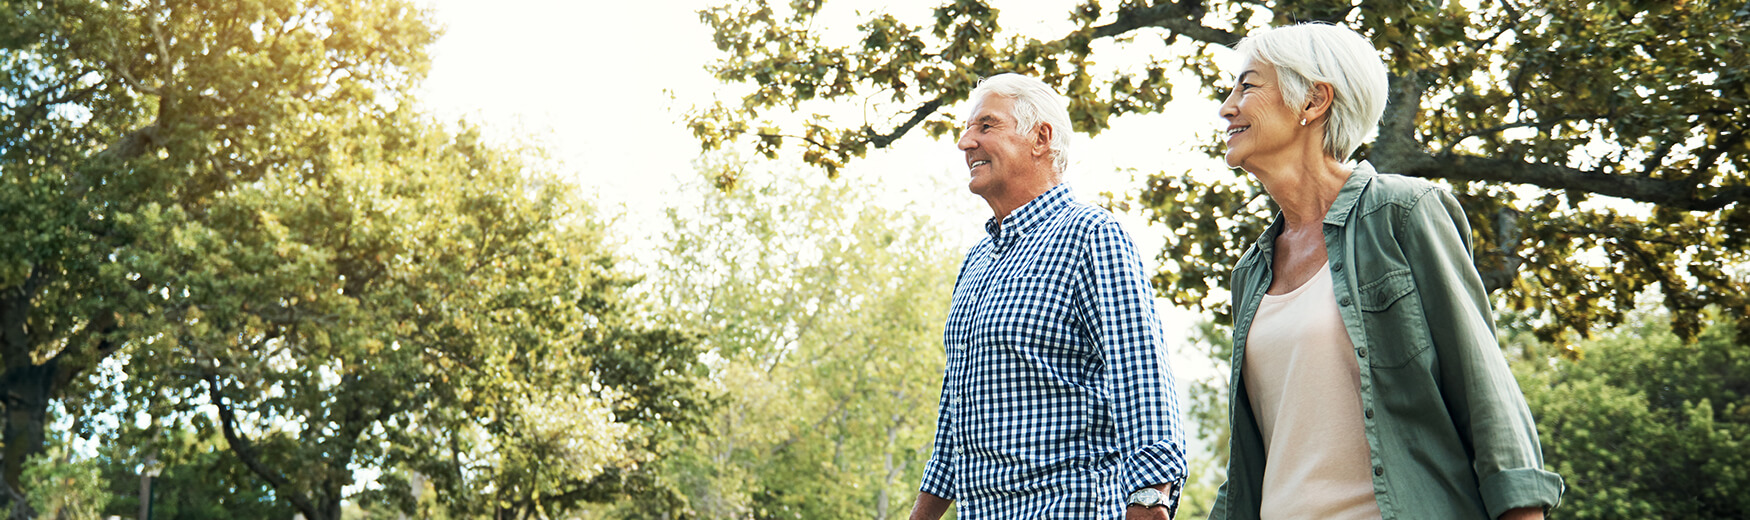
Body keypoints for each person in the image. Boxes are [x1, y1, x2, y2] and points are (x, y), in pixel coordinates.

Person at [1208, 23, 1564, 520]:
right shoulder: (1251, 271)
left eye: (1247, 86)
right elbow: (1252, 460)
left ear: (1313, 101)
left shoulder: (1404, 211)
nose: (1227, 107)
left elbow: (1485, 394)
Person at [908, 73, 1187, 520]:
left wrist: (1151, 503)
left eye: (985, 126)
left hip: (1070, 507)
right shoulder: (977, 258)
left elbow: (1144, 389)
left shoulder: (1093, 236)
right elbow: (953, 426)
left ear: (1041, 138)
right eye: (966, 129)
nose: (965, 142)